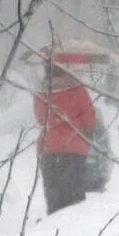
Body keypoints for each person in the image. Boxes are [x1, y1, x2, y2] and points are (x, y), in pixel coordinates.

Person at [35, 59, 98, 213]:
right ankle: (72, 228)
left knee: (53, 195)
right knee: (75, 197)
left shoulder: (41, 91)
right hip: (74, 149)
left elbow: (40, 118)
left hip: (48, 148)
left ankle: (53, 225)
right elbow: (89, 120)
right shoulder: (78, 90)